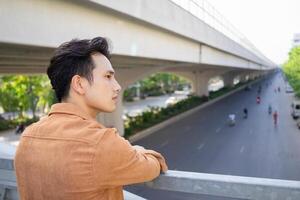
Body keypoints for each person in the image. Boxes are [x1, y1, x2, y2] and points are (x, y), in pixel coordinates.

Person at [14, 37, 168, 200]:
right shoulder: (99, 142)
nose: (117, 86)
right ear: (79, 84)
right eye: (108, 76)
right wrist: (138, 151)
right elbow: (155, 165)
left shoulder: (27, 138)